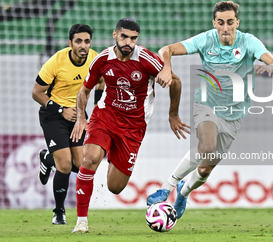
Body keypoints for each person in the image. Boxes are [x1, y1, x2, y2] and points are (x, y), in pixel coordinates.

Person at [147, 1, 273, 219]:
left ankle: (183, 193)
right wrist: (166, 66)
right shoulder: (206, 39)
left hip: (235, 114)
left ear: (237, 23)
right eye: (221, 23)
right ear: (215, 23)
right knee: (207, 145)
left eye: (230, 22)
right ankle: (166, 187)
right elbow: (167, 50)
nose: (226, 27)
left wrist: (269, 67)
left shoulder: (249, 42)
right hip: (206, 104)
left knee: (204, 170)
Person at [70, 18, 188, 233]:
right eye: (124, 36)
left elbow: (176, 82)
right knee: (89, 159)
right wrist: (81, 118)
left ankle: (108, 152)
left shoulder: (147, 60)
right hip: (105, 117)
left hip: (133, 129)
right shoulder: (102, 60)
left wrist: (173, 115)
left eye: (133, 38)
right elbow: (84, 91)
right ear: (115, 35)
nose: (128, 42)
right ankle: (81, 222)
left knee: (115, 187)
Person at [32, 24, 98, 224]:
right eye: (78, 41)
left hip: (78, 115)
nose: (83, 45)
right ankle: (59, 212)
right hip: (53, 115)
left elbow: (102, 82)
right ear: (70, 43)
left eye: (86, 41)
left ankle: (47, 159)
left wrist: (92, 112)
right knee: (66, 165)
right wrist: (61, 109)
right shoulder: (57, 61)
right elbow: (36, 93)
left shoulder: (95, 59)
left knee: (80, 165)